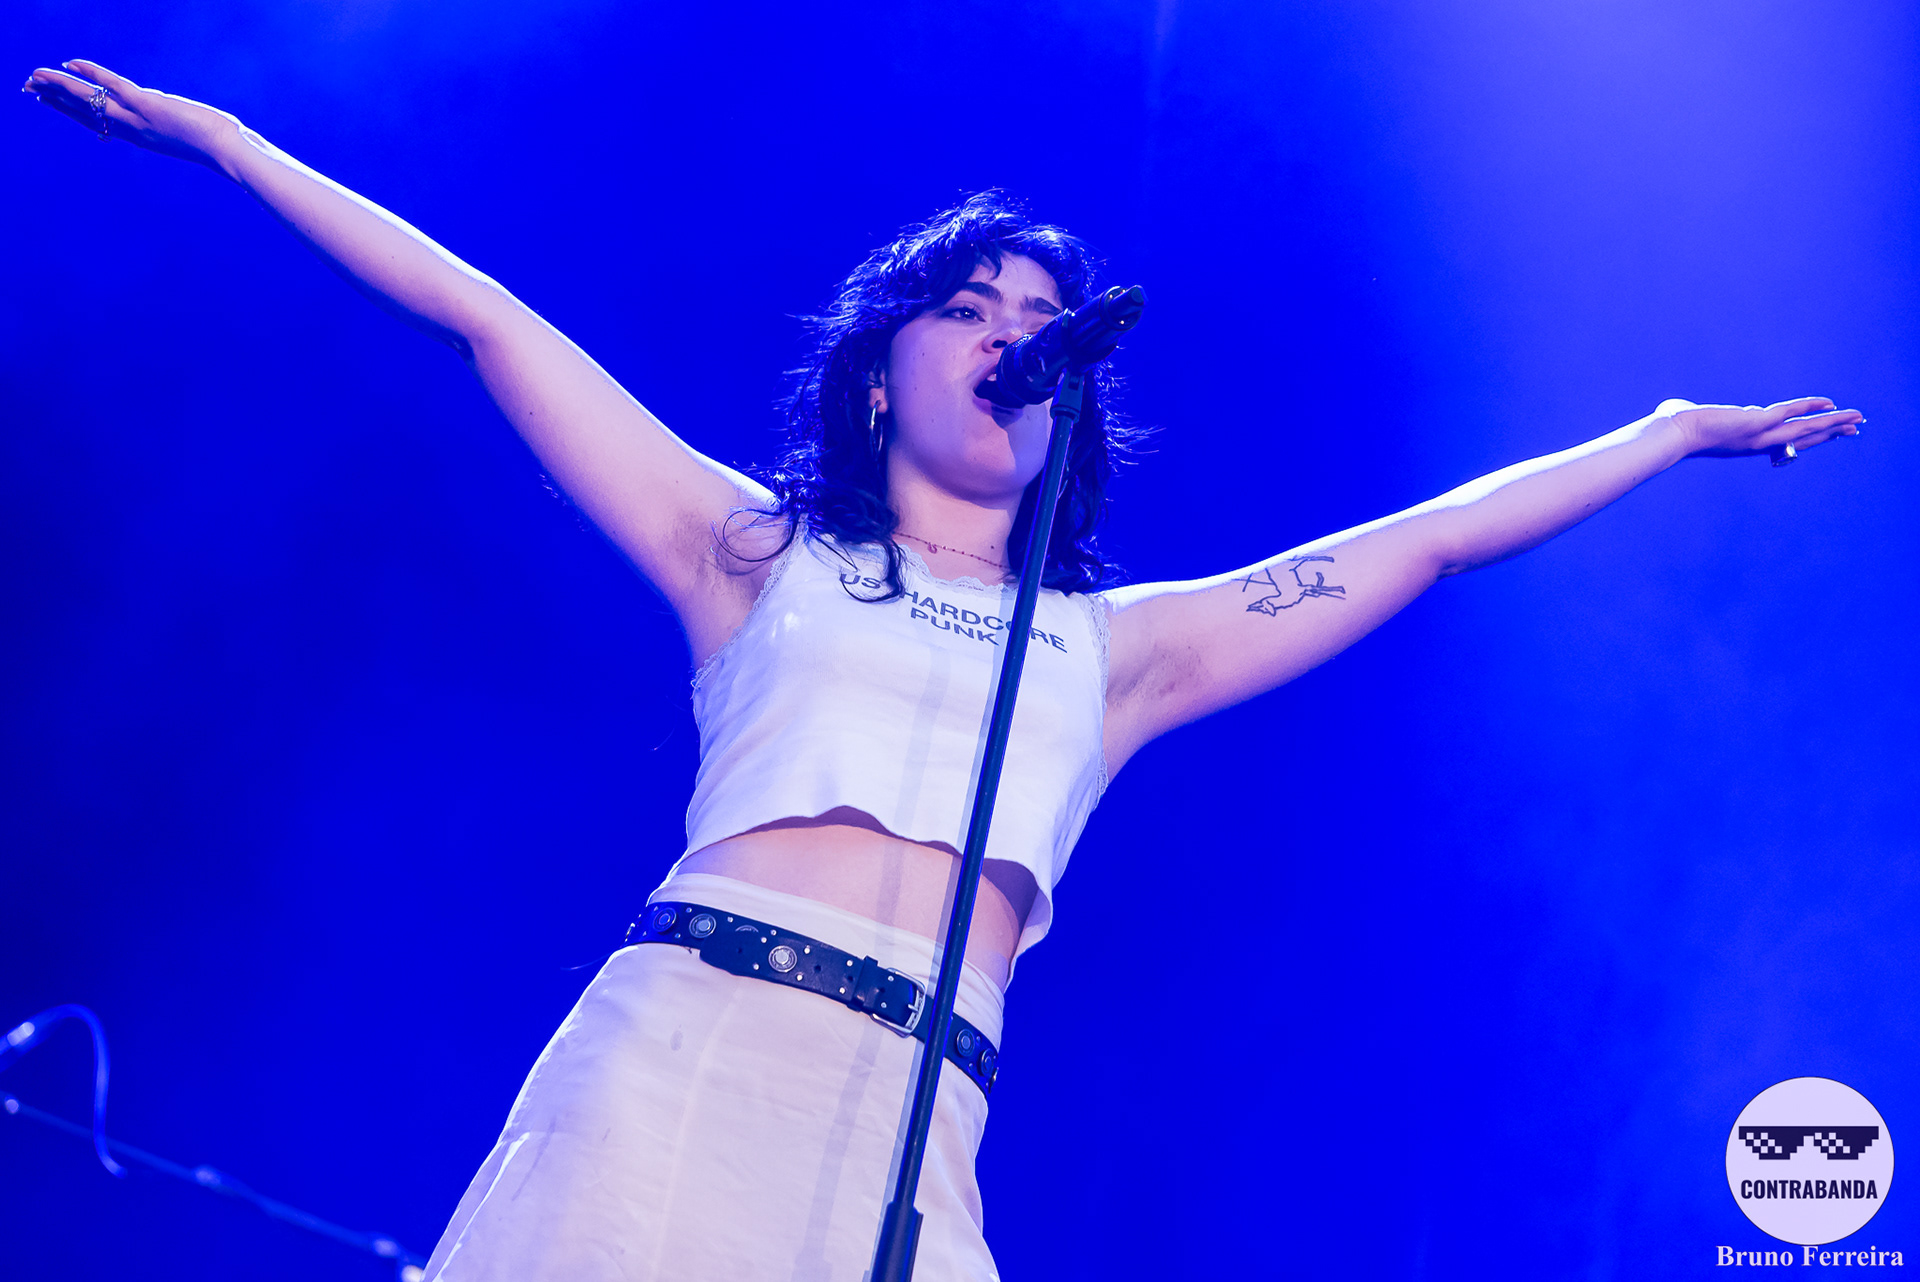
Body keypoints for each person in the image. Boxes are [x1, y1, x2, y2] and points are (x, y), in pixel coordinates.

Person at [23, 59, 1863, 1282]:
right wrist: (234, 147)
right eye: (967, 309)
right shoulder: (754, 550)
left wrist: (1667, 431)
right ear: (881, 367)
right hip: (681, 1054)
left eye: (1038, 321)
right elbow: (487, 323)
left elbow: (1428, 539)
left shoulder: (1120, 650)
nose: (1006, 336)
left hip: (914, 1119)